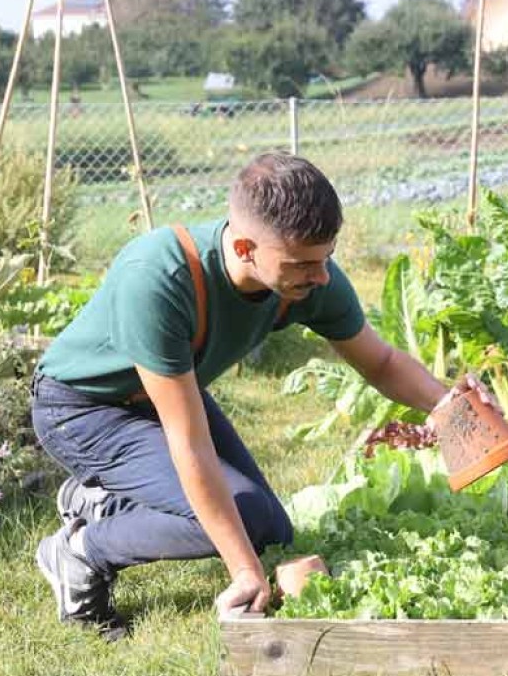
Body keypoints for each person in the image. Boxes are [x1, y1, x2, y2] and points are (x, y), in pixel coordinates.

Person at [29, 152, 484, 640]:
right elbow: (190, 445)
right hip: (83, 410)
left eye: (326, 256)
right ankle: (81, 551)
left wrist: (450, 407)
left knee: (271, 530)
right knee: (240, 519)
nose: (322, 276)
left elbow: (382, 362)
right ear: (246, 247)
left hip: (159, 405)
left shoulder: (307, 275)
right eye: (305, 263)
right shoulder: (159, 277)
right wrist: (245, 571)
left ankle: (107, 498)